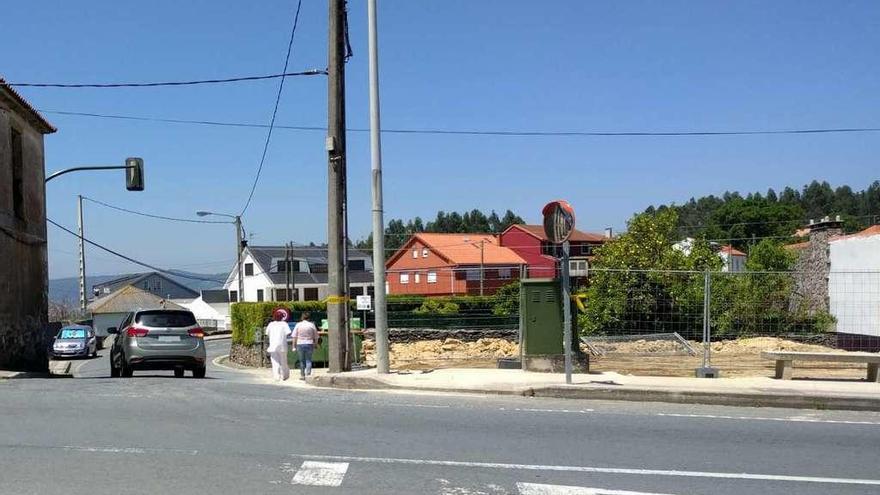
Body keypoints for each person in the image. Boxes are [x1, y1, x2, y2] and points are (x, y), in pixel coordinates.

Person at [291, 312, 319, 379]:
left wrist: (293, 346)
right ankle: (308, 374)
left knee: (301, 360)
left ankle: (302, 375)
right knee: (308, 360)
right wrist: (315, 344)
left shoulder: (298, 325)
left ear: (302, 317)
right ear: (309, 318)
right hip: (309, 343)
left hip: (300, 343)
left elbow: (294, 336)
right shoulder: (311, 325)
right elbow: (316, 336)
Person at [265, 311, 292, 381]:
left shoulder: (271, 324)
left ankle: (277, 376)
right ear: (282, 317)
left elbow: (267, 333)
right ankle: (284, 376)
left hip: (273, 346)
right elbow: (289, 333)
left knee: (275, 362)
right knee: (283, 361)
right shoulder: (284, 324)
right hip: (282, 346)